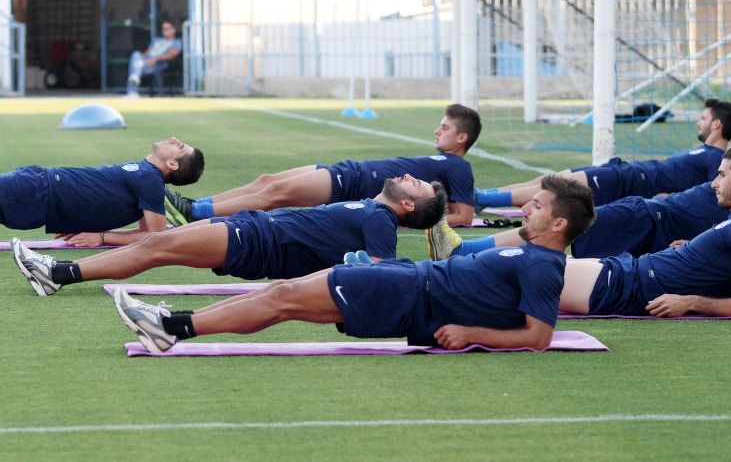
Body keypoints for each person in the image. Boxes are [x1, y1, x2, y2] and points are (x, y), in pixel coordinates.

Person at [111, 175, 596, 353]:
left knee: (283, 300)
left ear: (558, 226)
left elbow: (538, 336)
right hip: (406, 281)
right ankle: (172, 323)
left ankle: (174, 327)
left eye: (539, 206)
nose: (528, 207)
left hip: (409, 296)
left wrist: (473, 334)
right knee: (282, 295)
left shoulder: (544, 266)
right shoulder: (531, 251)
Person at [12, 175, 447, 296]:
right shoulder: (372, 208)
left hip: (259, 243)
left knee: (158, 247)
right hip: (255, 229)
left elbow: (379, 272)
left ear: (407, 206)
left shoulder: (381, 221)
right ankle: (61, 271)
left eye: (417, 186)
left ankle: (60, 274)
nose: (410, 176)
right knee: (154, 244)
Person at [427, 121, 731, 260]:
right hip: (640, 212)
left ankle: (463, 250)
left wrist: (691, 243)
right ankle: (466, 247)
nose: (720, 172)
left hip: (640, 220)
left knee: (554, 222)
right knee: (553, 214)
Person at [164, 104, 481, 227]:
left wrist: (401, 217)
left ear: (462, 137)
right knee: (268, 179)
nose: (438, 131)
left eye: (445, 128)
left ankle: (194, 213)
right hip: (350, 169)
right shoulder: (443, 162)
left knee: (276, 193)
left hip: (353, 184)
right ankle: (199, 205)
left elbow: (463, 216)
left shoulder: (459, 168)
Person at [559, 143, 731, 318]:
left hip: (626, 286)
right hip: (628, 271)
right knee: (539, 263)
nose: (714, 183)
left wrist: (691, 302)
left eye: (722, 175)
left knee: (533, 272)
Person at [474, 98, 731, 208]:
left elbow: (711, 194)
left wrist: (669, 197)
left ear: (716, 124)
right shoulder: (706, 152)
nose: (698, 122)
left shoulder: (717, 158)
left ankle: (479, 198)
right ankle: (483, 197)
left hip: (629, 182)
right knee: (549, 180)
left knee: (554, 189)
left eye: (703, 118)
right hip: (625, 171)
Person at [0, 137, 204, 247]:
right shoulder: (146, 175)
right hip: (38, 184)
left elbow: (155, 235)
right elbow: (147, 233)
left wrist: (103, 237)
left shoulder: (151, 180)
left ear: (172, 164)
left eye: (181, 147)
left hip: (37, 192)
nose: (175, 139)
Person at [126, 20, 182, 98]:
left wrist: (155, 59)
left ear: (173, 30)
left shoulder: (176, 42)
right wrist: (141, 58)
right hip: (146, 62)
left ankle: (132, 92)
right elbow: (147, 52)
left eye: (167, 28)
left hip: (158, 65)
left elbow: (171, 55)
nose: (164, 31)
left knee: (135, 68)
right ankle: (135, 78)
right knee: (136, 55)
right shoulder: (157, 40)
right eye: (163, 29)